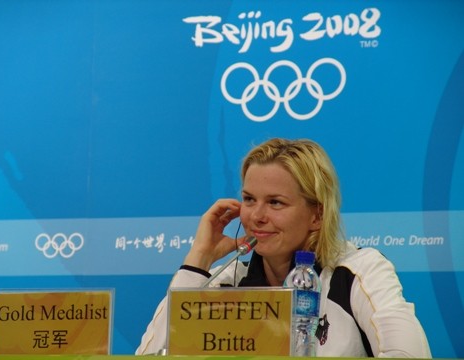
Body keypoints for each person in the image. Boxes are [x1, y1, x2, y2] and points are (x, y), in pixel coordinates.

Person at [135, 138, 431, 357]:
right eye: (249, 199)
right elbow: (151, 356)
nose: (256, 216)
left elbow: (410, 355)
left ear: (316, 215)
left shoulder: (357, 270)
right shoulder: (227, 280)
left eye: (275, 202)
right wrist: (197, 261)